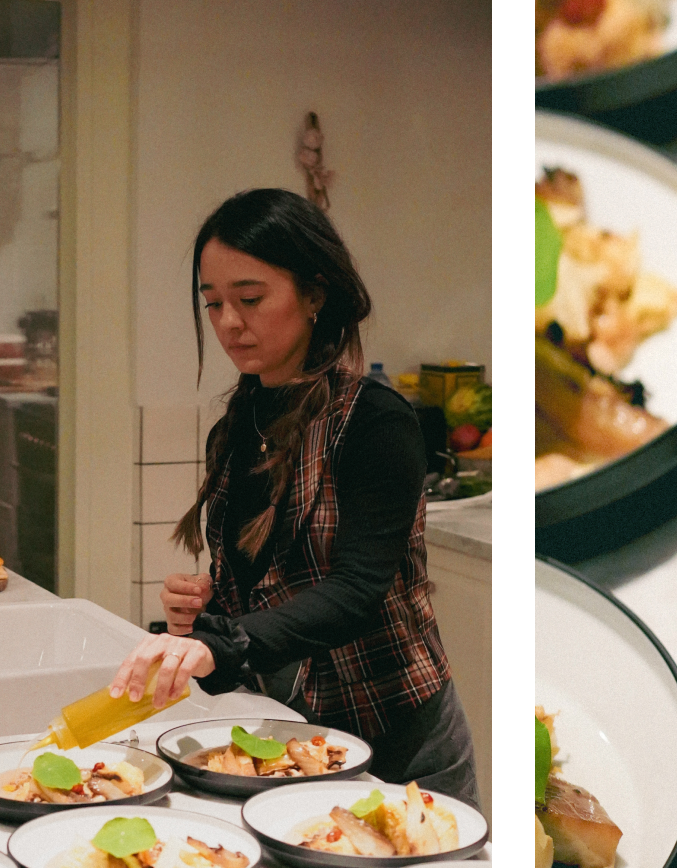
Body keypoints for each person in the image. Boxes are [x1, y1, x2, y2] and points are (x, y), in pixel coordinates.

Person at [109, 189, 478, 804]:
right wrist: (203, 616)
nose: (229, 321)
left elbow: (357, 591)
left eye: (250, 299)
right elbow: (260, 594)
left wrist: (221, 641)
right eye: (213, 303)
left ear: (314, 293)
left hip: (400, 741)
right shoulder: (236, 427)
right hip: (294, 734)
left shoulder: (373, 420)